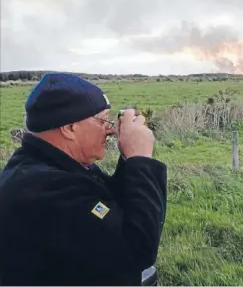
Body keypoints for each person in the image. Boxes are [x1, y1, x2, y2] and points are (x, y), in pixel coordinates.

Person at [0, 73, 167, 286]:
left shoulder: (51, 166)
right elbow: (135, 252)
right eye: (102, 119)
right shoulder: (44, 191)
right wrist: (140, 158)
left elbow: (112, 204)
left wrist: (128, 158)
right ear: (70, 128)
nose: (110, 129)